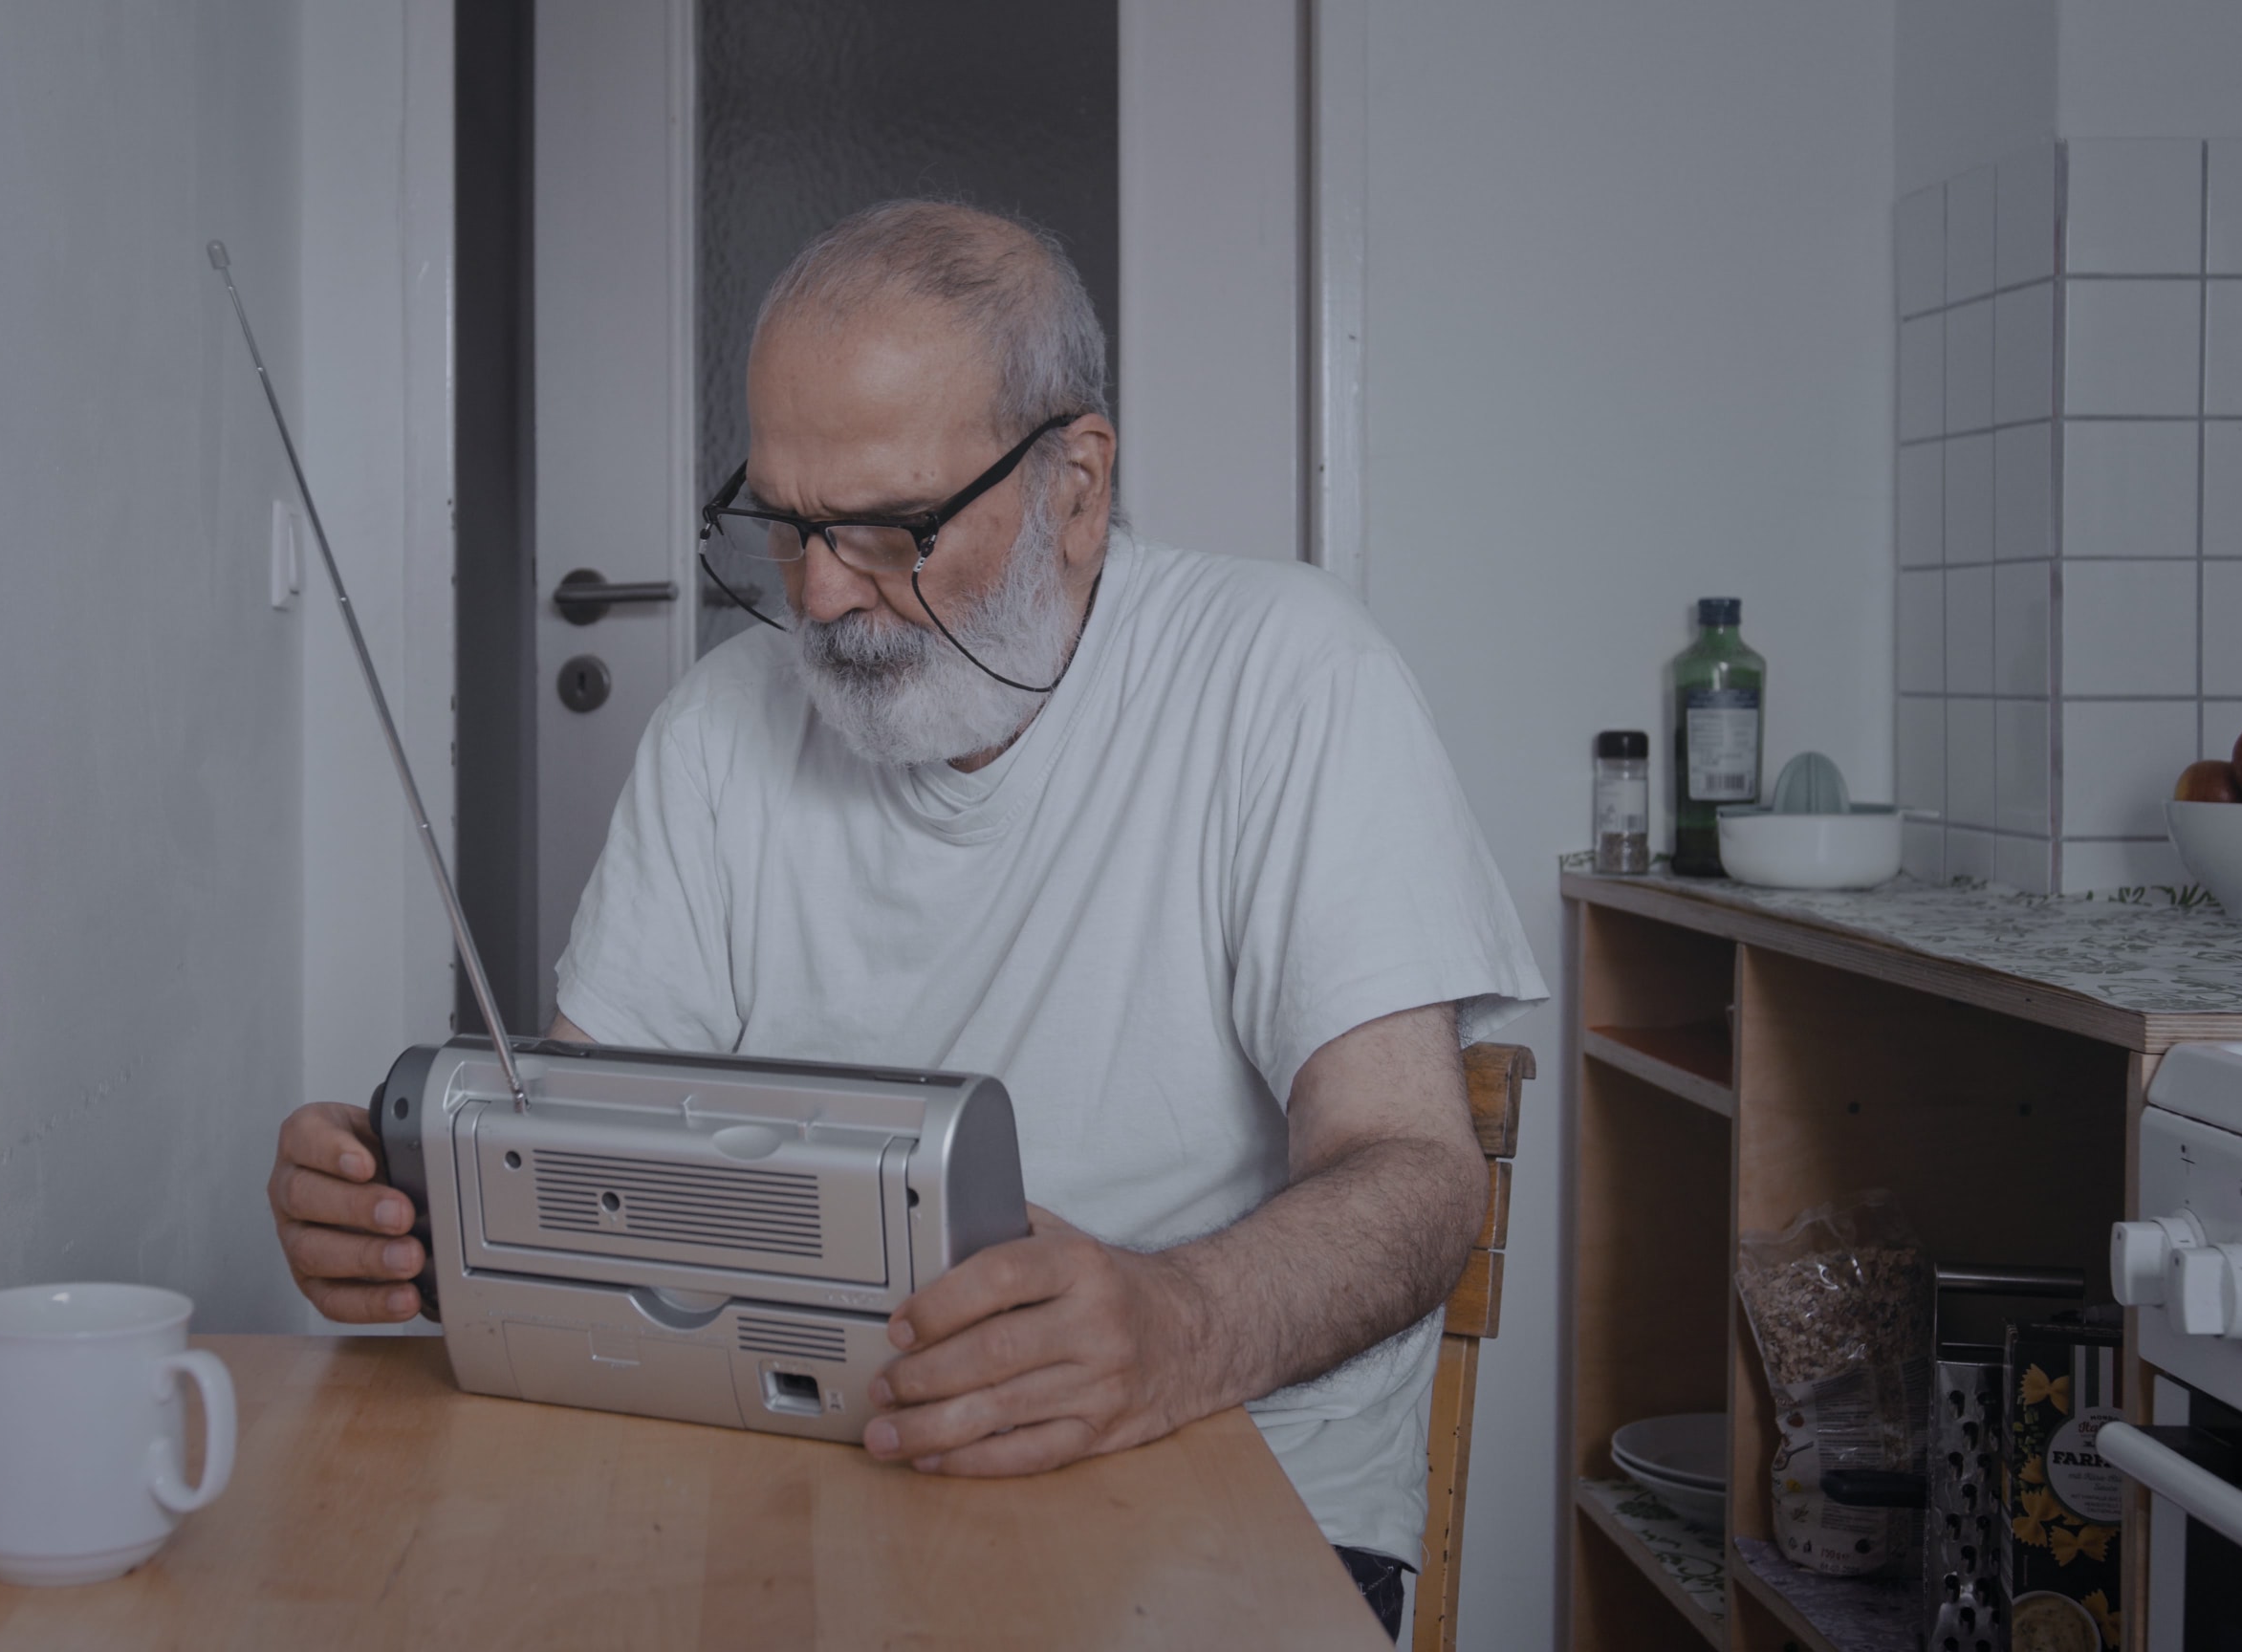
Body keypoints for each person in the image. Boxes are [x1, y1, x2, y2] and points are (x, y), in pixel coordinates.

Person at [265, 199, 1543, 1639]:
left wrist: (1176, 1327)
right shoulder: (715, 735)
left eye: (887, 530)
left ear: (1076, 483)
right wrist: (425, 1219)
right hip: (790, 1474)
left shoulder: (1287, 679)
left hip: (1225, 1486)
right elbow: (590, 1166)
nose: (818, 597)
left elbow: (1418, 1174)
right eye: (783, 524)